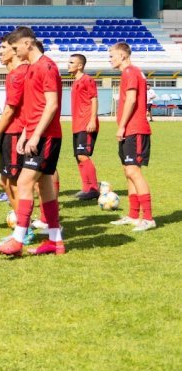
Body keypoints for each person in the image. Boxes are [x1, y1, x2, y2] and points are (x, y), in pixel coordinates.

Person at [0, 26, 64, 256]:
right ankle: (55, 241)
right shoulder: (33, 68)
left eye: (16, 48)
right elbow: (34, 108)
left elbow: (51, 105)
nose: (15, 52)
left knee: (24, 183)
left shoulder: (47, 66)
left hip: (46, 136)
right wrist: (26, 133)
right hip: (36, 135)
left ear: (28, 44)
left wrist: (35, 135)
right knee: (44, 187)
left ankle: (18, 240)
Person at [109, 42, 155, 231]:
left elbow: (132, 99)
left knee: (133, 172)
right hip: (130, 130)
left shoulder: (130, 72)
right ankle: (134, 215)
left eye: (112, 55)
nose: (110, 59)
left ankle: (149, 218)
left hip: (134, 129)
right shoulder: (129, 73)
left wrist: (122, 126)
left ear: (123, 56)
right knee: (128, 173)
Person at [0, 33, 29, 217]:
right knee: (5, 181)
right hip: (17, 133)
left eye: (3, 48)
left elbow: (10, 110)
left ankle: (24, 226)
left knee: (12, 182)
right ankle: (24, 220)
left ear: (15, 49)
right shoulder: (18, 73)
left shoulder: (18, 74)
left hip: (15, 133)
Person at [68, 53, 100, 200]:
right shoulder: (75, 82)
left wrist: (92, 120)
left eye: (71, 62)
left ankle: (93, 188)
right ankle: (86, 188)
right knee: (78, 157)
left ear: (80, 65)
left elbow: (94, 99)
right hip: (77, 125)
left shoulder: (87, 80)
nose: (68, 64)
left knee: (83, 155)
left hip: (86, 123)